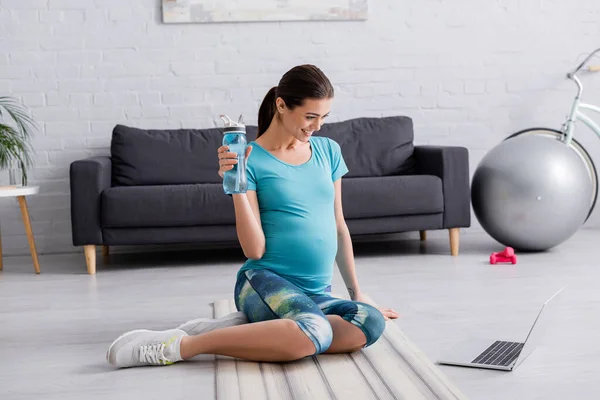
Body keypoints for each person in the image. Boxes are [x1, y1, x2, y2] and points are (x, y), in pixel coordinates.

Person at [106, 64, 399, 368]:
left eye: (324, 117)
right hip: (263, 283)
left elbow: (339, 226)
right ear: (281, 106)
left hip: (315, 292)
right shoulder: (251, 159)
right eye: (310, 116)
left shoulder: (328, 150)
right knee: (315, 331)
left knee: (370, 322)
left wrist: (357, 292)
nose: (318, 126)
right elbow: (254, 250)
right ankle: (182, 345)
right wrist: (236, 185)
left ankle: (251, 330)